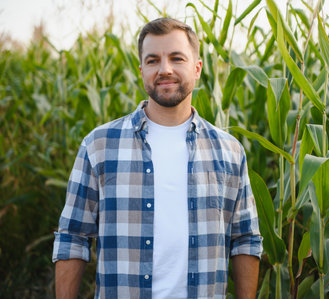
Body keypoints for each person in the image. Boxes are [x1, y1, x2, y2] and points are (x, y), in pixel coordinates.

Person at [52, 17, 262, 299]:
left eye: (177, 58)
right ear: (141, 70)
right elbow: (72, 237)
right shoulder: (99, 145)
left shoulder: (229, 152)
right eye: (153, 60)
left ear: (197, 68)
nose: (165, 69)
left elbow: (245, 240)